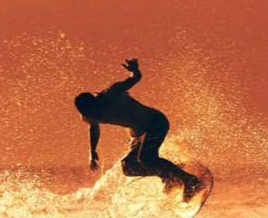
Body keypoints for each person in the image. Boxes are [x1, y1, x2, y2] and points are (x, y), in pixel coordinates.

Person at [74, 58, 202, 200]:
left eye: (94, 112)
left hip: (155, 122)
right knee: (128, 167)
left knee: (146, 158)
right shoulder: (88, 115)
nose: (94, 116)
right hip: (138, 134)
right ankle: (168, 174)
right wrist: (92, 151)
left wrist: (134, 71)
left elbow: (135, 79)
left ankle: (191, 181)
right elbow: (93, 127)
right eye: (90, 115)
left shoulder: (112, 93)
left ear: (96, 102)